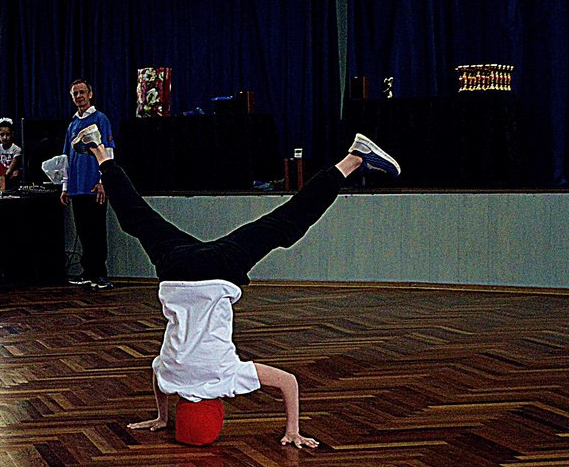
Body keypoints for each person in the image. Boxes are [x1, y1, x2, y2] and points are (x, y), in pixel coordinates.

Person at [80, 125, 402, 448]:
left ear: (217, 411)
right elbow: (158, 378)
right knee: (137, 217)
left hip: (221, 269)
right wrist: (163, 417)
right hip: (175, 268)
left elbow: (288, 382)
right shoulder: (171, 375)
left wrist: (293, 430)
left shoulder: (227, 376)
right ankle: (99, 151)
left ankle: (354, 159)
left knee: (285, 223)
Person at [62, 79, 114, 290]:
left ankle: (100, 274)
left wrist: (104, 181)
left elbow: (108, 150)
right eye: (75, 93)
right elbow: (66, 157)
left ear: (90, 94)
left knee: (97, 230)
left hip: (94, 185)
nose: (79, 96)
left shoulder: (101, 119)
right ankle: (88, 271)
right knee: (83, 230)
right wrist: (65, 187)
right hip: (76, 187)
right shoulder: (72, 124)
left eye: (82, 92)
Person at [0, 118, 23, 189]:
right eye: (2, 134)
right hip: (0, 176)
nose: (5, 137)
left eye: (7, 134)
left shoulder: (16, 149)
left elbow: (11, 168)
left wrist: (5, 175)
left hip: (10, 177)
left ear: (12, 134)